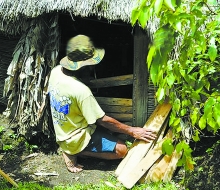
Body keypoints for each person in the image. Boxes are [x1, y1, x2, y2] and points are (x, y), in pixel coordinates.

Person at [48, 35, 155, 173]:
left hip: (64, 131)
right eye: (90, 65)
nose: (92, 68)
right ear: (83, 67)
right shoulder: (81, 91)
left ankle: (71, 148)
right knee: (122, 150)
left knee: (111, 131)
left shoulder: (55, 72)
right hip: (77, 137)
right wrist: (132, 131)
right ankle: (77, 152)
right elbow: (102, 120)